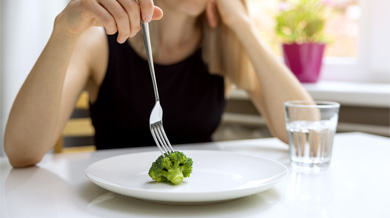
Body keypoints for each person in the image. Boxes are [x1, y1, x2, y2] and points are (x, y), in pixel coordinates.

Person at [4, 0, 312, 168]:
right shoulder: (98, 42)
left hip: (203, 203)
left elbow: (308, 133)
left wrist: (243, 25)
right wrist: (65, 31)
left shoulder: (224, 44)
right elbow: (21, 152)